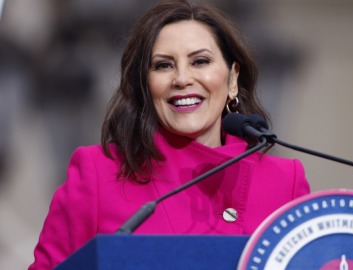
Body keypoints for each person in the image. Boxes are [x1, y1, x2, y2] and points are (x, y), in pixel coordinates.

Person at [29, 0, 310, 268]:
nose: (182, 79)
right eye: (164, 65)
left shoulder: (285, 181)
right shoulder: (98, 173)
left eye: (200, 61)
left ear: (233, 78)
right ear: (145, 85)